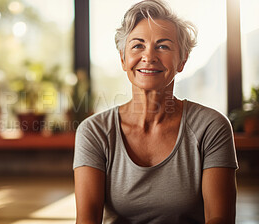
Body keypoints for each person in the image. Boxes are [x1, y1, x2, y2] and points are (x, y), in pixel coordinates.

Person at [73, 0, 239, 223]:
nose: (149, 56)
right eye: (137, 45)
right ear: (123, 59)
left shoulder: (211, 127)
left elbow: (220, 218)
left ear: (182, 61)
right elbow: (87, 220)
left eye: (163, 46)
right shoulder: (93, 131)